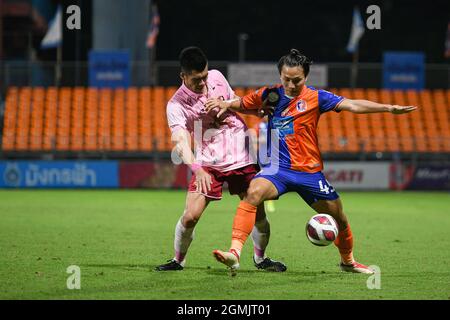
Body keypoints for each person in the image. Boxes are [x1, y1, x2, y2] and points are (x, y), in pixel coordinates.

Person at [205, 49, 417, 274]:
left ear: (306, 77)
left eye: (296, 80)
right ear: (280, 76)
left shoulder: (317, 98)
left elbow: (352, 105)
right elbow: (244, 103)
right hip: (278, 170)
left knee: (340, 218)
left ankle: (348, 262)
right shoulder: (271, 95)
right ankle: (235, 253)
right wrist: (227, 103)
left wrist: (388, 108)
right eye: (286, 79)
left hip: (309, 174)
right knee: (252, 193)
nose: (291, 84)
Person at [155, 46, 286, 272]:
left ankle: (261, 258)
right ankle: (178, 260)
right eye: (197, 79)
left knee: (258, 214)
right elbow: (180, 141)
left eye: (205, 76)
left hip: (241, 154)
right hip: (208, 162)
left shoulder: (216, 76)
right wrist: (197, 169)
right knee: (190, 217)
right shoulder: (176, 105)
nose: (203, 82)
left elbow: (234, 101)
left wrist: (255, 112)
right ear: (183, 76)